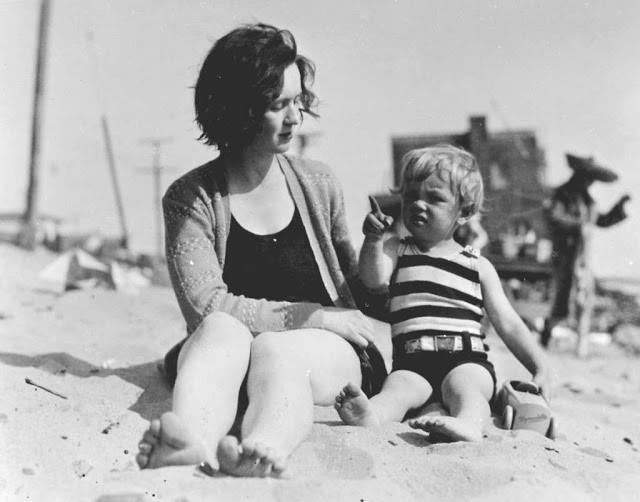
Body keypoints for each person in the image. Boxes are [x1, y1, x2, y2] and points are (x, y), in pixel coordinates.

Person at [135, 23, 390, 477]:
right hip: (238, 352)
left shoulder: (318, 182)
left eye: (298, 101)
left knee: (276, 348)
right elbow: (205, 306)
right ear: (238, 110)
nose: (295, 118)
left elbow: (357, 295)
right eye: (278, 105)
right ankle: (190, 439)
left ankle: (264, 445)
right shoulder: (190, 197)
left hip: (324, 351)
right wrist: (312, 313)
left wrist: (373, 253)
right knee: (217, 326)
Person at [334, 144, 552, 442]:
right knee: (398, 389)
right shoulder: (397, 248)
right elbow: (373, 279)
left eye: (434, 198)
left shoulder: (477, 265)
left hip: (467, 359)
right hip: (413, 361)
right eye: (411, 196)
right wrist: (373, 240)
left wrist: (539, 366)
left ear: (464, 211)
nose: (418, 204)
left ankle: (468, 423)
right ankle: (372, 415)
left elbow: (509, 323)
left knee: (467, 389)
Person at [540, 153, 630, 355]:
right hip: (564, 257)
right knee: (563, 299)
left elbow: (602, 221)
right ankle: (548, 332)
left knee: (584, 300)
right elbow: (554, 218)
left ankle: (581, 348)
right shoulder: (561, 195)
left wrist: (619, 207)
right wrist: (576, 226)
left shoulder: (588, 202)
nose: (590, 183)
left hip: (583, 260)